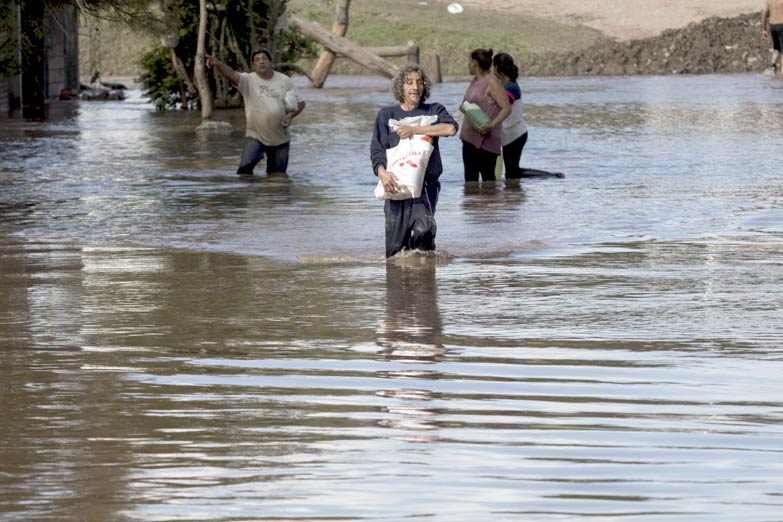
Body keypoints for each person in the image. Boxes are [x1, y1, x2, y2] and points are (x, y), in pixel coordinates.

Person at [371, 64, 458, 258]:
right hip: (394, 184)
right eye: (409, 82)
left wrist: (415, 130)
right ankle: (398, 282)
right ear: (400, 87)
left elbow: (450, 129)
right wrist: (382, 173)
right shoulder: (387, 115)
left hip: (426, 185)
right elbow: (377, 149)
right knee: (395, 249)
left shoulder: (433, 110)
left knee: (424, 232)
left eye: (419, 82)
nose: (415, 87)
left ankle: (424, 281)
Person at [206, 49, 305, 176]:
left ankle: (270, 195)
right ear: (253, 65)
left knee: (278, 176)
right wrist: (218, 64)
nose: (261, 62)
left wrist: (290, 116)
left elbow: (300, 103)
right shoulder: (248, 80)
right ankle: (251, 193)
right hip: (255, 135)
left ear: (270, 62)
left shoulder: (284, 80)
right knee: (244, 170)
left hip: (280, 137)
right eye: (257, 60)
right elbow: (231, 74)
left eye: (264, 58)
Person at [492, 52, 565, 179]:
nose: (492, 69)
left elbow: (504, 104)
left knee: (512, 173)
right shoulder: (506, 85)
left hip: (514, 136)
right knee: (512, 173)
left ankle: (553, 176)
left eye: (493, 66)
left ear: (498, 68)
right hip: (512, 134)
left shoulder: (511, 88)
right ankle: (552, 176)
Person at [459, 48, 511, 183]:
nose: (468, 64)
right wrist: (464, 107)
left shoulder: (492, 82)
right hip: (469, 139)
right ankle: (472, 205)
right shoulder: (474, 81)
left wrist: (491, 125)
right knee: (470, 182)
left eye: (469, 61)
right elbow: (466, 102)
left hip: (486, 141)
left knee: (488, 183)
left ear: (474, 63)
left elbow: (506, 108)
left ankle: (489, 205)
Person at [762, 0, 783, 74]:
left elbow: (764, 13)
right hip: (782, 24)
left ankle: (772, 66)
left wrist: (764, 29)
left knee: (777, 48)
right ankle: (782, 73)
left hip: (773, 25)